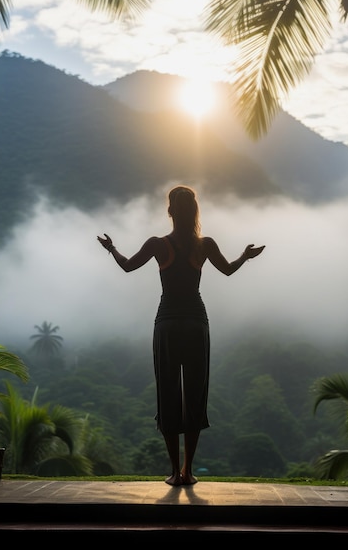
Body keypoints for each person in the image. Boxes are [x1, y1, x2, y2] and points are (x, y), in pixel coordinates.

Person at [97, 185, 265, 486]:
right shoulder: (205, 244)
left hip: (167, 323)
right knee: (195, 396)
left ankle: (175, 471)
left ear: (171, 211)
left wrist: (111, 248)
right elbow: (228, 270)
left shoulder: (158, 244)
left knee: (169, 395)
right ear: (195, 211)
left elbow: (126, 266)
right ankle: (189, 471)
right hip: (196, 323)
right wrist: (246, 255)